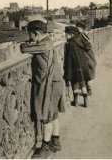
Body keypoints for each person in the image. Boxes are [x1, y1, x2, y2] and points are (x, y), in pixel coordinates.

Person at [20, 20, 65, 158]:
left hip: (50, 85)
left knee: (46, 117)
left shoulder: (43, 44)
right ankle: (55, 142)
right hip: (56, 83)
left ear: (36, 33)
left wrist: (28, 44)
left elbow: (23, 48)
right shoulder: (47, 42)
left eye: (30, 35)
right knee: (53, 115)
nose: (29, 38)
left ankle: (45, 148)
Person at [64, 26, 92, 107]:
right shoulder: (81, 39)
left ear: (71, 34)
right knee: (83, 82)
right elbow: (88, 47)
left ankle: (75, 101)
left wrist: (67, 72)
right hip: (83, 65)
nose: (65, 36)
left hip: (75, 66)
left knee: (74, 83)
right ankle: (86, 101)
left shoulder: (70, 44)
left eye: (66, 34)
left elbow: (69, 58)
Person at [76, 22, 97, 95]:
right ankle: (88, 88)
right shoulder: (84, 35)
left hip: (87, 56)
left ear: (81, 29)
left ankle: (87, 88)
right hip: (88, 55)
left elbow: (88, 46)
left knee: (85, 71)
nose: (77, 29)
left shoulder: (81, 35)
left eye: (78, 28)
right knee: (86, 72)